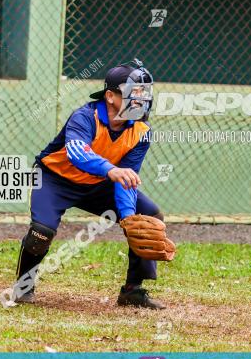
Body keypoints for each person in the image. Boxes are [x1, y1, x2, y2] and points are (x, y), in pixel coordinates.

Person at [12, 60, 171, 309]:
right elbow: (77, 153)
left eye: (144, 94)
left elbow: (127, 178)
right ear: (110, 96)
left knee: (148, 216)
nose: (141, 100)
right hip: (55, 179)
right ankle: (23, 286)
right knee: (41, 232)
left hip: (98, 184)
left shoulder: (141, 130)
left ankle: (132, 290)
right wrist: (112, 170)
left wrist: (128, 218)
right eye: (133, 93)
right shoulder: (85, 117)